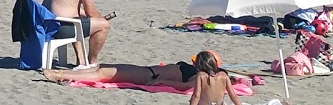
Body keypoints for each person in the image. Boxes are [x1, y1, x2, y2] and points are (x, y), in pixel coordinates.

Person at [42, 51, 232, 100]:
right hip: (146, 70)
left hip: (147, 75)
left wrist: (160, 80)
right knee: (103, 67)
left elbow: (186, 88)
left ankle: (58, 74)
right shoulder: (201, 73)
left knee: (103, 73)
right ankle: (60, 73)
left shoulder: (199, 76)